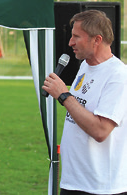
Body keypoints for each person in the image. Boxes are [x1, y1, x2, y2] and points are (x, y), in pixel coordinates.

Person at [42, 10, 127, 195]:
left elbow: (100, 131)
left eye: (76, 37)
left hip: (101, 187)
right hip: (74, 181)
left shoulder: (118, 76)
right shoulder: (85, 65)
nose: (70, 42)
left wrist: (64, 96)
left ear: (96, 40)